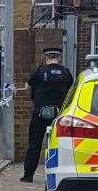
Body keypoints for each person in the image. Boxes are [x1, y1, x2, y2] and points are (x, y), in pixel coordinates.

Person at [20, 48, 74, 183]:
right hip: (59, 116)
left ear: (46, 58)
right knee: (60, 145)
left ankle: (28, 176)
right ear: (59, 58)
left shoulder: (39, 71)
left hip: (40, 114)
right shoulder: (66, 73)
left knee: (34, 145)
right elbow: (71, 89)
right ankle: (59, 176)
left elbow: (27, 86)